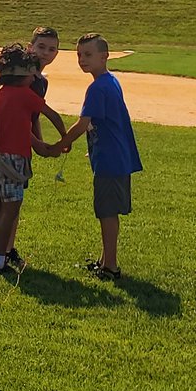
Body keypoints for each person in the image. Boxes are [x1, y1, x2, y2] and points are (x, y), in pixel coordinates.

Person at [0, 43, 64, 275]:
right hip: (13, 161)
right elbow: (53, 116)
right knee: (10, 211)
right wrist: (64, 141)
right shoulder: (25, 94)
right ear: (23, 75)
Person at [60, 33, 142, 281]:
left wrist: (60, 144)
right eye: (79, 55)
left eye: (88, 54)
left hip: (111, 159)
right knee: (107, 210)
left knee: (106, 212)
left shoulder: (98, 87)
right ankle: (104, 260)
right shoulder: (110, 81)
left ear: (104, 56)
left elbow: (82, 123)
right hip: (113, 155)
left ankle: (111, 267)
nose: (82, 59)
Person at [0, 26, 68, 268]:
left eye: (52, 49)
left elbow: (32, 116)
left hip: (21, 145)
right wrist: (40, 144)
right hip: (10, 145)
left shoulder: (40, 81)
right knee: (6, 204)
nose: (46, 53)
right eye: (41, 47)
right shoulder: (22, 76)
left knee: (14, 201)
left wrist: (38, 142)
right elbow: (15, 119)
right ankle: (0, 252)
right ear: (30, 47)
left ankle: (7, 248)